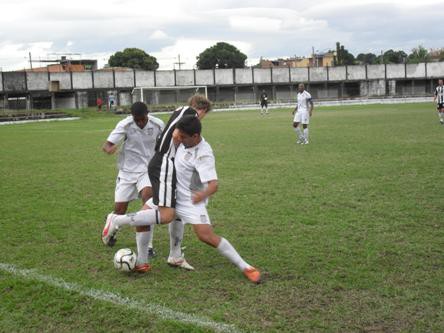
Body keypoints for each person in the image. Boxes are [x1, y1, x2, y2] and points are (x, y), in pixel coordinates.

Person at [106, 116, 262, 283]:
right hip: (171, 190)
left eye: (183, 137)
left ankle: (246, 267)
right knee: (144, 218)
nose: (178, 139)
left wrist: (202, 195)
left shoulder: (203, 155)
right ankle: (143, 262)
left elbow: (214, 185)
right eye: (178, 135)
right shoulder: (182, 136)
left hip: (191, 199)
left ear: (195, 136)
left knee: (205, 236)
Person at [102, 95, 213, 270]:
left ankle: (160, 257)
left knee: (160, 203)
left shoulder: (165, 119)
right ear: (202, 109)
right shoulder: (190, 115)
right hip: (147, 168)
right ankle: (118, 220)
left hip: (151, 168)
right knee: (161, 212)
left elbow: (168, 139)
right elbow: (176, 137)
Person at [102, 101, 164, 272]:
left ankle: (148, 246)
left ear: (147, 115)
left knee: (148, 200)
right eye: (137, 120)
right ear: (132, 118)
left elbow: (165, 144)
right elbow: (107, 144)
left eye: (143, 119)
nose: (140, 123)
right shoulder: (125, 124)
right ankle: (112, 224)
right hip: (127, 172)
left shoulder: (158, 124)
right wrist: (109, 149)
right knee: (120, 210)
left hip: (147, 170)